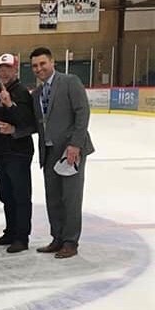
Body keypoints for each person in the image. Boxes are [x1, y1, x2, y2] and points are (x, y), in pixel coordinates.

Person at [30, 47, 94, 259]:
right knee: (54, 198)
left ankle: (70, 241)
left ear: (52, 62)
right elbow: (38, 124)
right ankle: (57, 237)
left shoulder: (69, 81)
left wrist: (75, 144)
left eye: (42, 64)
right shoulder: (37, 93)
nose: (39, 69)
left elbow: (82, 112)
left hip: (70, 151)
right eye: (35, 66)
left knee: (71, 198)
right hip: (49, 152)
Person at [0, 53, 36, 253]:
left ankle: (21, 237)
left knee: (20, 196)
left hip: (17, 153)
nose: (3, 72)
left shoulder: (22, 92)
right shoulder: (0, 90)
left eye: (7, 68)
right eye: (0, 69)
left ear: (16, 70)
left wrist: (10, 104)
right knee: (7, 195)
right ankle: (11, 232)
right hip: (1, 153)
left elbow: (27, 121)